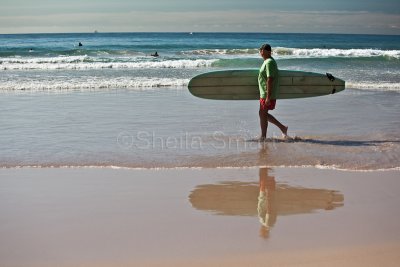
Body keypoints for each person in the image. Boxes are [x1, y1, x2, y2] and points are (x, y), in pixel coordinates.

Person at [258, 44, 288, 141]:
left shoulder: (269, 62)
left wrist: (268, 96)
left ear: (268, 51)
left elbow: (269, 79)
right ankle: (282, 128)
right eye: (260, 50)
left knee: (263, 114)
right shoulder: (267, 61)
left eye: (262, 50)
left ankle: (263, 137)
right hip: (265, 93)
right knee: (262, 114)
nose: (261, 51)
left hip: (267, 93)